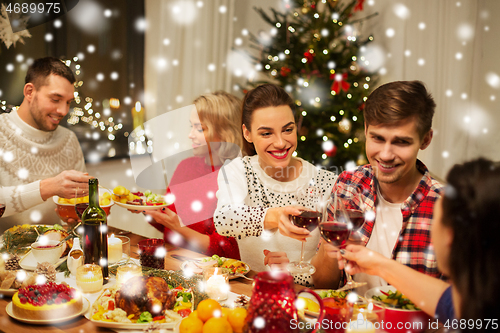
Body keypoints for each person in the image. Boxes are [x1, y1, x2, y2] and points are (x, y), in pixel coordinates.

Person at [305, 80, 444, 293]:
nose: (386, 155)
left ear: (425, 140)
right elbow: (325, 285)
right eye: (377, 138)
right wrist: (328, 246)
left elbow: (460, 308)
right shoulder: (348, 184)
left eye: (401, 142)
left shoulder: (448, 208)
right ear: (365, 130)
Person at [339, 158, 500, 328]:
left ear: (449, 236)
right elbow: (445, 301)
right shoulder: (479, 307)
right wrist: (379, 265)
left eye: (435, 219)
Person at [214, 84, 336, 285]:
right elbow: (224, 219)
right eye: (266, 133)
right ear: (247, 133)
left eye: (287, 130)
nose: (280, 142)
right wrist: (275, 216)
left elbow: (328, 281)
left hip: (303, 302)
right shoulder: (238, 170)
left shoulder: (325, 181)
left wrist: (289, 274)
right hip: (248, 297)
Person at [144, 92, 243, 259]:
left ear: (225, 133)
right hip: (172, 263)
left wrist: (178, 227)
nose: (191, 135)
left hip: (209, 274)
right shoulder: (186, 166)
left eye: (200, 129)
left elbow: (228, 252)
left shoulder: (235, 177)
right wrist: (147, 210)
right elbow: (167, 226)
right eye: (192, 126)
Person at [0, 57, 91, 232]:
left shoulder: (69, 140)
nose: (63, 111)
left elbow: (81, 201)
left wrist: (77, 216)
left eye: (68, 102)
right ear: (29, 92)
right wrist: (48, 187)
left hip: (58, 250)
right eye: (55, 99)